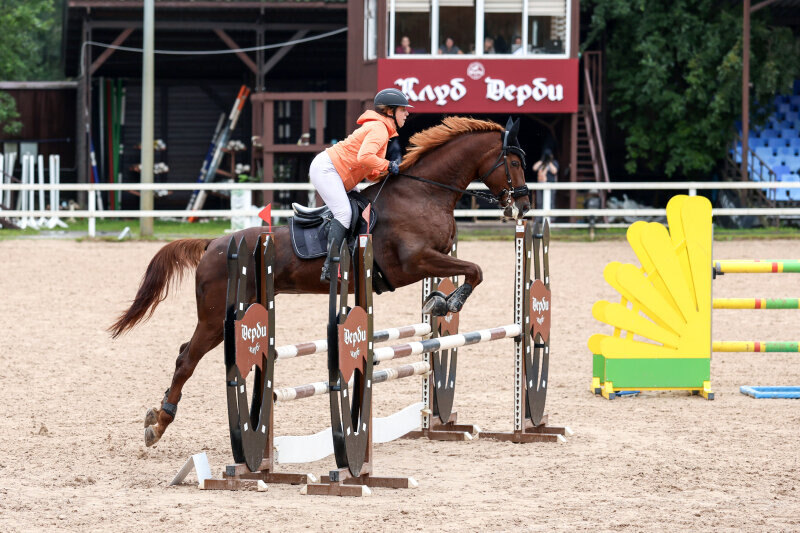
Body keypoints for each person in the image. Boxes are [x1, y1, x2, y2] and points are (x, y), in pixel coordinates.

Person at [309, 88, 412, 281]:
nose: (407, 113)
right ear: (390, 111)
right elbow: (364, 157)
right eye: (403, 110)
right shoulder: (379, 128)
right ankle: (329, 267)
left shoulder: (382, 129)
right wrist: (388, 165)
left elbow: (369, 171)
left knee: (361, 205)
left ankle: (349, 252)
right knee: (344, 213)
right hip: (328, 169)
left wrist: (384, 172)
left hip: (337, 172)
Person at [532, 148, 558, 214]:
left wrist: (549, 162)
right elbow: (534, 168)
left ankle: (551, 219)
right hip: (540, 185)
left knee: (550, 202)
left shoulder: (554, 162)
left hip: (550, 185)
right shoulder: (541, 163)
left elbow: (554, 171)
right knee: (539, 202)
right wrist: (542, 161)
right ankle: (539, 218)